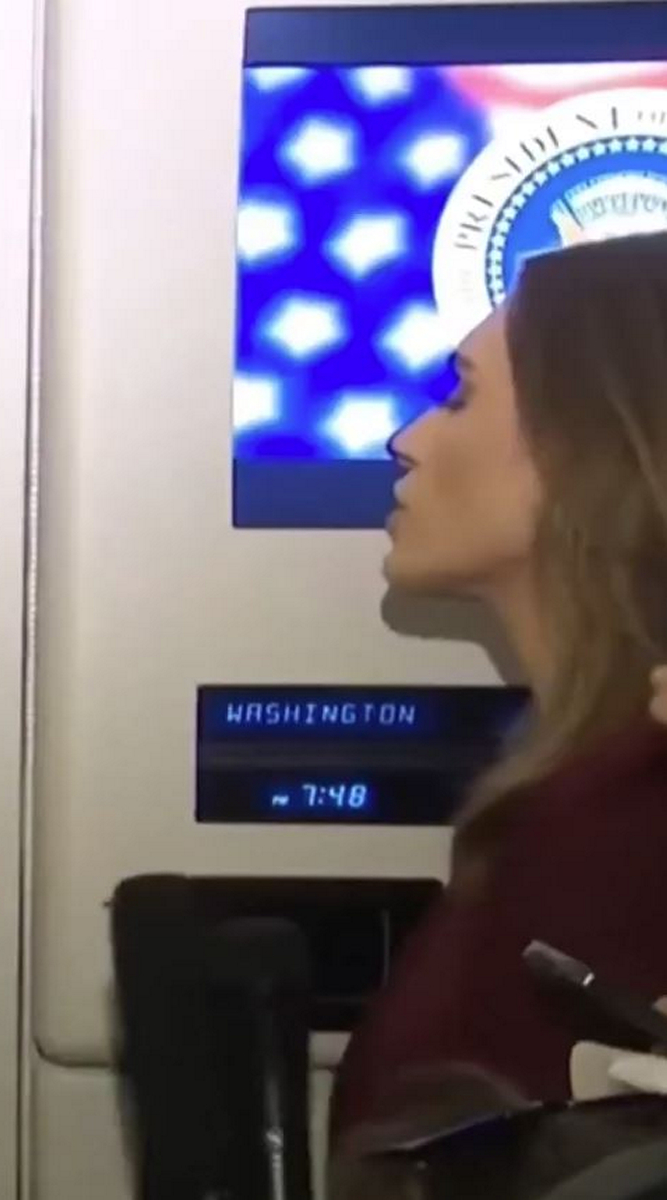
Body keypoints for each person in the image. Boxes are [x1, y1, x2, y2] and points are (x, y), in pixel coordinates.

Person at [329, 229, 667, 1151]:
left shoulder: (628, 817)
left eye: (461, 395)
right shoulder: (582, 794)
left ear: (586, 442)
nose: (406, 438)